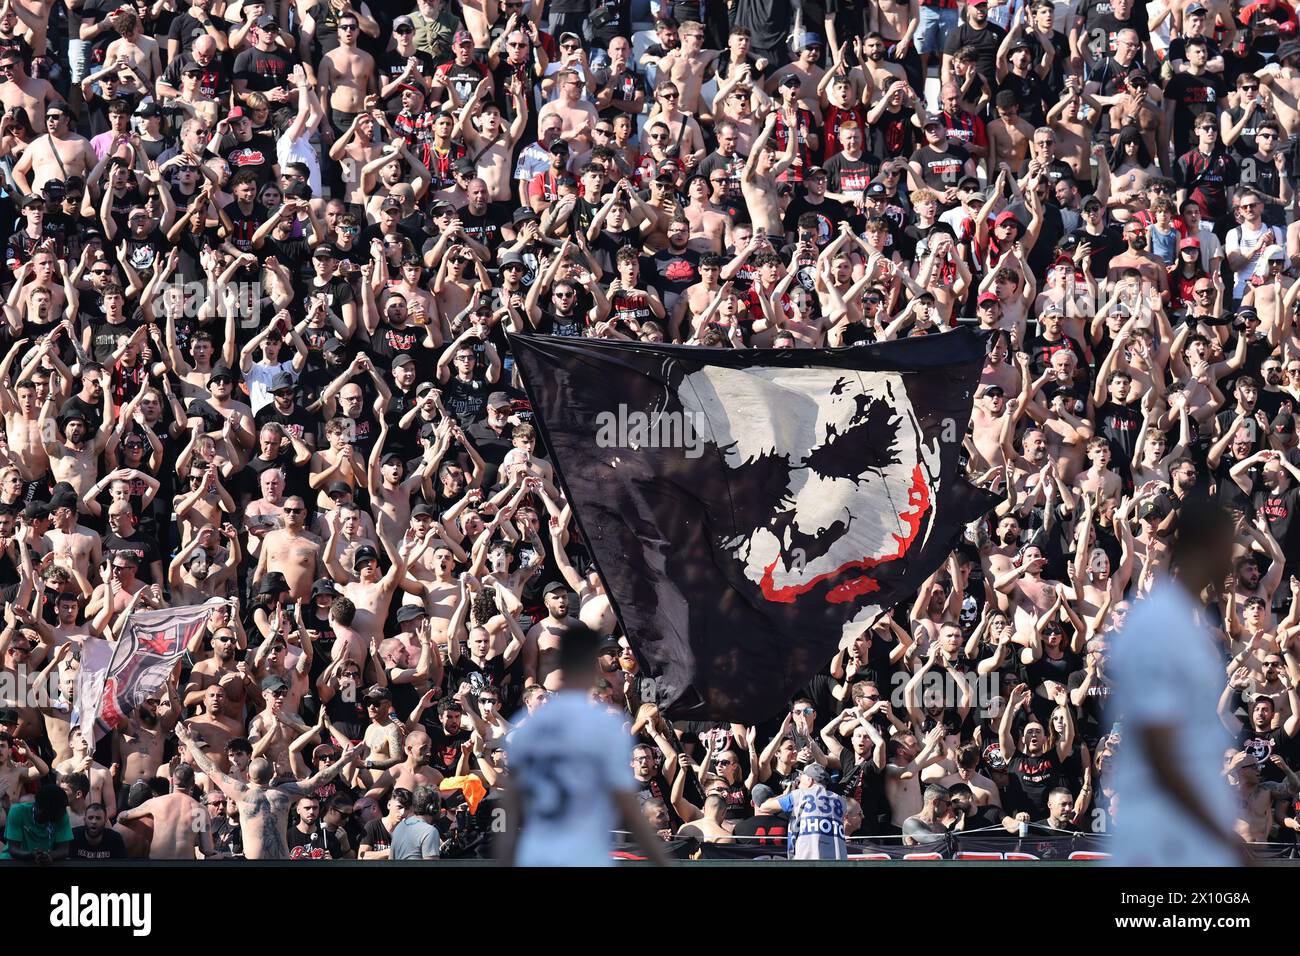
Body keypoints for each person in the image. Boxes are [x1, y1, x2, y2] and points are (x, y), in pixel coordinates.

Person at [1108, 501, 1251, 866]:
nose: (1229, 561)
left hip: (1189, 832)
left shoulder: (1185, 624)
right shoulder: (1159, 626)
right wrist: (1222, 837)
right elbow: (1160, 752)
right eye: (1225, 548)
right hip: (1162, 837)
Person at [498, 624, 670, 867]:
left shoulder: (529, 727)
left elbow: (512, 805)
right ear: (593, 664)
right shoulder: (605, 725)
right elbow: (628, 807)